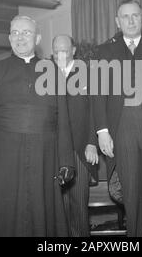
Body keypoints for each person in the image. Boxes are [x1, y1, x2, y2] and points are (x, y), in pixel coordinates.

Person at [0, 15, 75, 237]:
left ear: (37, 38)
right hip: (3, 158)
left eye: (26, 32)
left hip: (45, 157)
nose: (20, 37)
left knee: (43, 215)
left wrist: (66, 161)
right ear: (9, 38)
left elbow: (63, 121)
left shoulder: (53, 71)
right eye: (15, 33)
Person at [93, 0, 142, 237]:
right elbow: (97, 94)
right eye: (125, 17)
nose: (130, 20)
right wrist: (102, 131)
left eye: (135, 15)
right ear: (117, 22)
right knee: (131, 193)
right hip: (121, 128)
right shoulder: (104, 51)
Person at [52, 34, 99, 237]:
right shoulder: (45, 77)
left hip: (80, 150)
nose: (60, 55)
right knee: (58, 209)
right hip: (54, 152)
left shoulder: (88, 74)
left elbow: (95, 111)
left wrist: (91, 142)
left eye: (64, 50)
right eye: (56, 51)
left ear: (73, 50)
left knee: (79, 207)